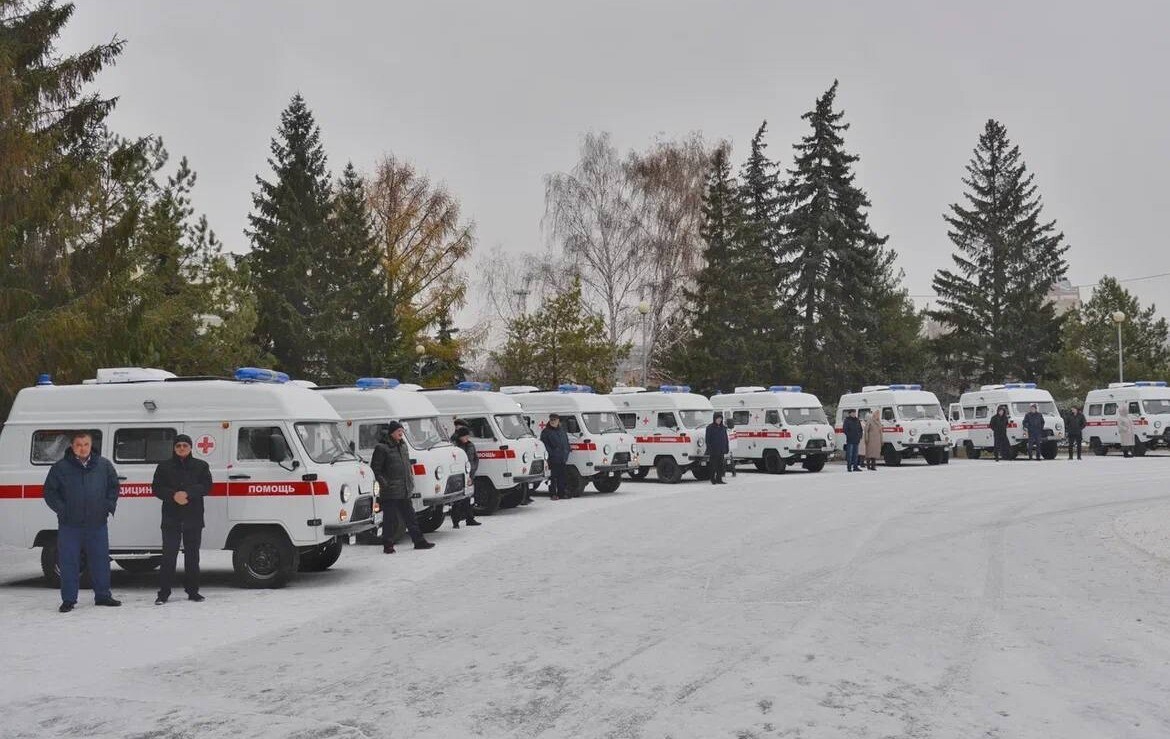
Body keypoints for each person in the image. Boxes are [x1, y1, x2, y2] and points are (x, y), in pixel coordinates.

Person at [42, 430, 121, 612]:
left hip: (97, 523)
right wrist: (63, 510)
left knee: (100, 560)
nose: (82, 448)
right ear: (72, 446)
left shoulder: (103, 465)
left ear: (91, 445)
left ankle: (103, 596)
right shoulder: (60, 468)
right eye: (78, 445)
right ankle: (69, 599)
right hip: (70, 524)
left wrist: (107, 506)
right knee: (69, 562)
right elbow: (50, 492)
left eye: (86, 444)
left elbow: (113, 487)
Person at [151, 434, 212, 604]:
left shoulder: (201, 466)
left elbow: (207, 486)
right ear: (174, 448)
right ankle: (163, 593)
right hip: (172, 517)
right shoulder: (164, 467)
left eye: (185, 445)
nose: (182, 448)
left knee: (192, 556)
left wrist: (188, 493)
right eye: (178, 445)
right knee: (168, 556)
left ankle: (193, 591)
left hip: (193, 517)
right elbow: (156, 488)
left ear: (191, 447)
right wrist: (173, 495)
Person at [371, 422, 434, 553]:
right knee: (390, 519)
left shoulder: (403, 446)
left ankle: (419, 541)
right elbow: (375, 470)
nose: (401, 433)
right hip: (391, 491)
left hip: (404, 489)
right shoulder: (382, 448)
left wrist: (410, 481)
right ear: (392, 432)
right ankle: (388, 545)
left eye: (402, 430)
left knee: (411, 517)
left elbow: (406, 467)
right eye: (399, 430)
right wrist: (385, 484)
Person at [449, 426, 482, 528]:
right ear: (460, 437)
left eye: (468, 436)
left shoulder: (470, 445)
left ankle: (470, 518)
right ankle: (455, 521)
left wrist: (472, 471)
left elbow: (475, 459)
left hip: (470, 475)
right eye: (465, 436)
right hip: (459, 476)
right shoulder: (454, 447)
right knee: (458, 500)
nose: (467, 438)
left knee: (468, 498)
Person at [540, 414, 571, 500]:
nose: (553, 421)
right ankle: (553, 493)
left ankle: (562, 493)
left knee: (562, 477)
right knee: (552, 478)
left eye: (554, 420)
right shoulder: (546, 432)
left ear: (558, 421)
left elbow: (566, 442)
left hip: (562, 458)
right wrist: (552, 453)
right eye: (551, 420)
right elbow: (545, 445)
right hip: (553, 459)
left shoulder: (562, 431)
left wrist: (567, 450)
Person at [704, 413, 730, 484]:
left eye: (720, 419)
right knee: (713, 466)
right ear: (714, 419)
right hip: (713, 450)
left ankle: (719, 479)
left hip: (721, 450)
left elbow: (726, 439)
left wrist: (727, 447)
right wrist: (709, 449)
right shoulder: (710, 428)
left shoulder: (723, 428)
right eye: (718, 419)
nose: (719, 420)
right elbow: (707, 440)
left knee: (720, 466)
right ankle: (713, 479)